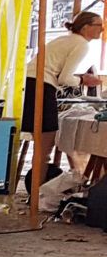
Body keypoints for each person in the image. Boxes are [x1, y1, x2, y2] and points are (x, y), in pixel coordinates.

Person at [23, 11, 104, 181]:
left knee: (41, 145)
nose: (102, 29)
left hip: (29, 85)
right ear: (85, 27)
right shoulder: (81, 44)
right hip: (41, 88)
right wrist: (83, 79)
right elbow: (65, 78)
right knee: (45, 146)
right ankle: (38, 191)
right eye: (99, 25)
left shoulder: (64, 40)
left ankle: (37, 189)